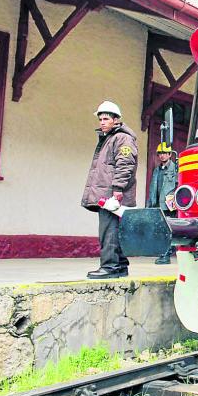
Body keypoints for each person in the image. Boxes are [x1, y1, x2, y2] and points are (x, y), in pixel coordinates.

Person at [81, 101, 138, 279]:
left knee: (109, 230)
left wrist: (117, 188)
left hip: (112, 194)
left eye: (106, 118)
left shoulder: (122, 138)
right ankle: (120, 266)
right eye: (100, 119)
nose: (102, 122)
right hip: (108, 193)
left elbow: (125, 164)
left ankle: (110, 267)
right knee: (115, 230)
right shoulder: (110, 138)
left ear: (116, 120)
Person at [148, 142, 178, 264]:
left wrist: (175, 201)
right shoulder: (157, 170)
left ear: (170, 154)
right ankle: (163, 253)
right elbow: (152, 188)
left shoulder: (175, 169)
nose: (162, 156)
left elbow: (179, 186)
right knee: (160, 230)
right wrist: (150, 203)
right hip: (157, 205)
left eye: (164, 153)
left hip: (169, 205)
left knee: (168, 230)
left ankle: (166, 255)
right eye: (159, 153)